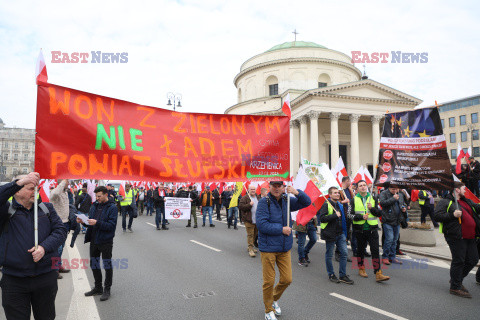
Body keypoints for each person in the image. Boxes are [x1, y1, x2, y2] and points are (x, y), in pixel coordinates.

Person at [0, 173, 67, 319]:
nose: (35, 192)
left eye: (35, 188)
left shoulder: (46, 208)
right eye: (30, 188)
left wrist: (44, 247)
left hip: (45, 277)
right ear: (17, 190)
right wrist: (19, 182)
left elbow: (61, 231)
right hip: (14, 280)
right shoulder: (6, 211)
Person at [257, 181, 310, 320]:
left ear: (283, 187)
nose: (276, 188)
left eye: (279, 186)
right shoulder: (264, 202)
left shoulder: (287, 199)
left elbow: (307, 202)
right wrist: (281, 229)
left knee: (287, 279)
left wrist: (296, 192)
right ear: (269, 187)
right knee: (269, 281)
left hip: (284, 247)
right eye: (274, 186)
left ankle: (273, 299)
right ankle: (268, 309)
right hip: (268, 248)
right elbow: (262, 224)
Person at [434, 181, 480, 298]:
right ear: (457, 190)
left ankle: (457, 279)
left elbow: (477, 208)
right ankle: (455, 287)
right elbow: (437, 216)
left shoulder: (466, 201)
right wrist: (452, 215)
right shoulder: (446, 201)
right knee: (459, 261)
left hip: (471, 237)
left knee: (473, 260)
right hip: (456, 237)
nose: (465, 190)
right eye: (464, 188)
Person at [78, 186, 118, 301]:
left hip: (105, 241)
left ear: (106, 194)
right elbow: (91, 222)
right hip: (94, 240)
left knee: (107, 265)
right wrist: (83, 222)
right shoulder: (95, 205)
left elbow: (111, 226)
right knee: (94, 264)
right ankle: (98, 288)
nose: (97, 198)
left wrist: (97, 222)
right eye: (96, 196)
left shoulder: (112, 207)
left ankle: (107, 289)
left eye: (99, 196)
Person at [348, 180, 390, 282]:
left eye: (364, 185)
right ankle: (361, 268)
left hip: (372, 229)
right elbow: (349, 215)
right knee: (360, 250)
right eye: (360, 186)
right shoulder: (353, 200)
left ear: (367, 186)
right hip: (359, 230)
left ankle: (378, 273)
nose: (363, 187)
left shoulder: (373, 198)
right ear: (357, 188)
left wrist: (372, 209)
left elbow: (379, 213)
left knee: (375, 251)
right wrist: (361, 216)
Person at [318, 186, 353, 284]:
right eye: (335, 193)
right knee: (329, 255)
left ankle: (342, 275)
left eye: (338, 192)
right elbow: (322, 218)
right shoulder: (326, 204)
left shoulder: (339, 204)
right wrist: (334, 215)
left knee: (344, 253)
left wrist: (345, 233)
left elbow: (343, 219)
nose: (337, 194)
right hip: (330, 234)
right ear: (330, 195)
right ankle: (331, 274)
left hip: (340, 233)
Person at [379, 183, 407, 265]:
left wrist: (403, 209)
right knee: (389, 239)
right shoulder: (383, 193)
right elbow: (382, 203)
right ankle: (385, 257)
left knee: (395, 240)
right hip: (387, 221)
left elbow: (401, 204)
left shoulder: (400, 195)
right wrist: (393, 199)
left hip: (397, 221)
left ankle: (392, 257)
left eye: (396, 189)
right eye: (393, 189)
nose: (395, 191)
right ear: (389, 188)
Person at [50, 179, 71, 276]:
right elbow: (54, 194)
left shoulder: (65, 192)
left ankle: (58, 265)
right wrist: (63, 182)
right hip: (58, 223)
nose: (69, 183)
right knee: (58, 247)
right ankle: (54, 270)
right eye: (67, 182)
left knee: (61, 247)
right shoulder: (55, 192)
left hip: (65, 222)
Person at [239, 185, 260, 257]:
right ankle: (251, 249)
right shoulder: (245, 198)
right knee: (250, 235)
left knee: (255, 234)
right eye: (251, 189)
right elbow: (241, 207)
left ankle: (250, 246)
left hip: (257, 220)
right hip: (249, 220)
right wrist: (249, 205)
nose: (253, 190)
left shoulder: (258, 197)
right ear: (248, 190)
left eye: (254, 189)